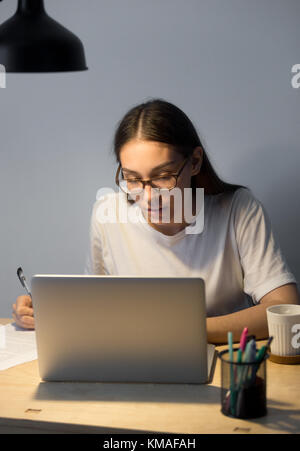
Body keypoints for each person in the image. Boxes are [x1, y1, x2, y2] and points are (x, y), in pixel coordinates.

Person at [12, 98, 300, 343]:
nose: (148, 198)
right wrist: (44, 309)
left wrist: (181, 331)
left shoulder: (238, 210)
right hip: (136, 360)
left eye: (163, 177)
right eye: (133, 179)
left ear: (195, 162)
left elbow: (285, 306)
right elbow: (95, 305)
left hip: (222, 363)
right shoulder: (107, 214)